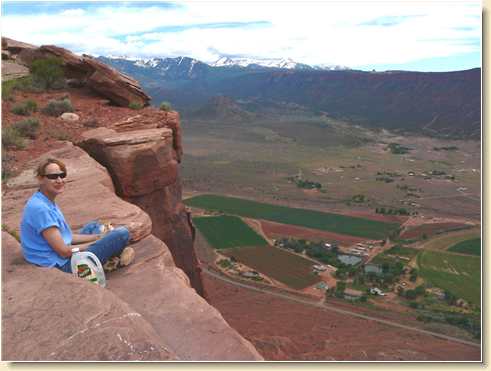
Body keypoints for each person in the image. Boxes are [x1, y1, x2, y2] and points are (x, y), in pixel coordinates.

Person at [20, 158, 133, 274]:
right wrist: (97, 243)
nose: (59, 180)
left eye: (62, 175)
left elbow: (67, 237)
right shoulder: (40, 209)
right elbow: (64, 252)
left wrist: (98, 237)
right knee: (121, 234)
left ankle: (109, 257)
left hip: (57, 255)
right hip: (63, 266)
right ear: (41, 179)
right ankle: (109, 259)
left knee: (94, 227)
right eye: (53, 177)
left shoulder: (44, 200)